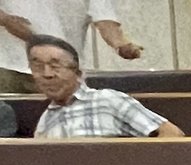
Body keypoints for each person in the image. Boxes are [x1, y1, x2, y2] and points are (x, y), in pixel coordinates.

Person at [27, 34, 180, 137]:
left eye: (55, 66)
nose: (47, 74)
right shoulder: (44, 123)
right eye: (38, 67)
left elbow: (172, 134)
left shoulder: (108, 100)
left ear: (78, 72)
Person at [0, 0, 143, 95]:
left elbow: (105, 20)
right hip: (10, 67)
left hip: (64, 70)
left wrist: (121, 45)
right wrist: (8, 21)